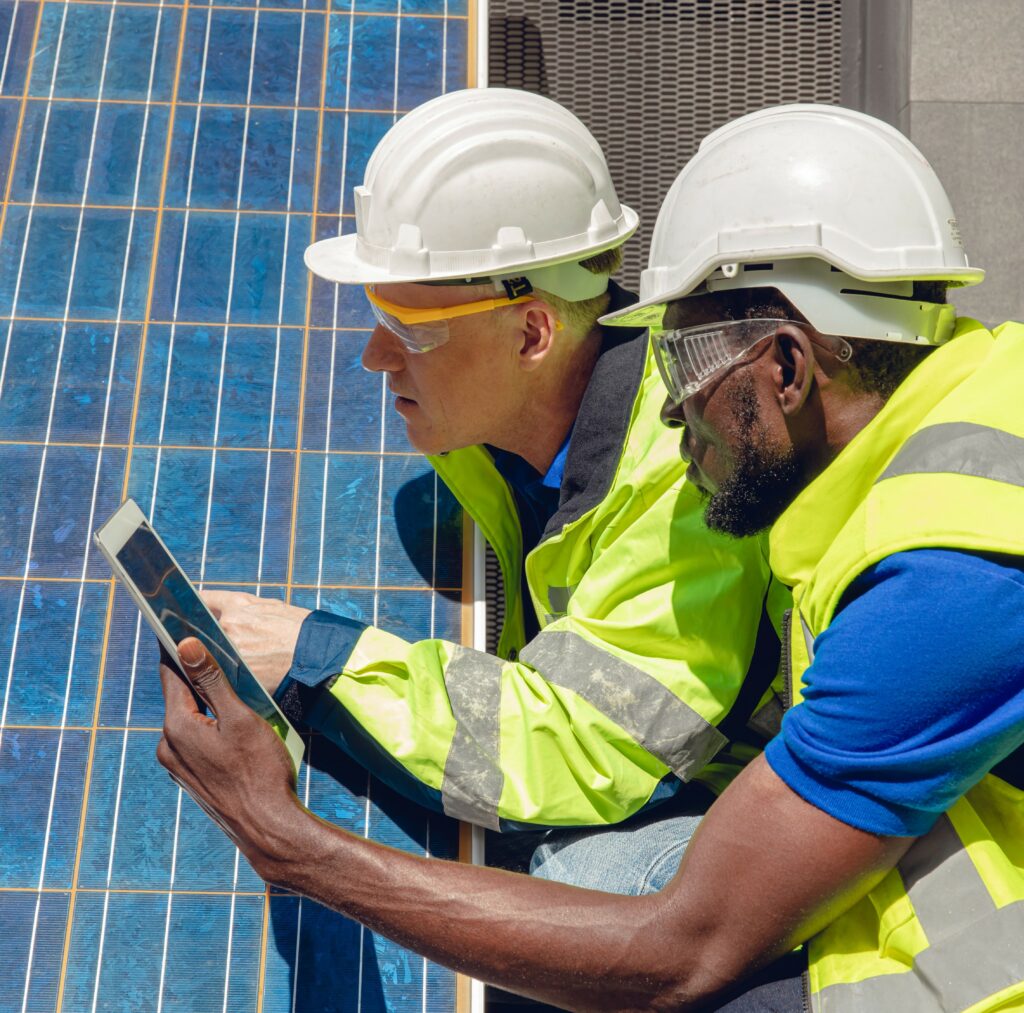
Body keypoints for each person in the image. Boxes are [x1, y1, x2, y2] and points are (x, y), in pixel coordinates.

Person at [158, 103, 1024, 1011]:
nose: (664, 406)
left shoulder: (945, 584)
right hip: (931, 822)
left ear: (787, 367)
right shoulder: (945, 433)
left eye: (684, 367)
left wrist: (288, 841)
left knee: (585, 906)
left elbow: (679, 952)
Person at [196, 87, 775, 893]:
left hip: (754, 811)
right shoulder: (508, 424)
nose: (372, 356)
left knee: (580, 880)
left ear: (533, 332)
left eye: (409, 328)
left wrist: (325, 655)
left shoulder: (686, 481)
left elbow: (591, 751)